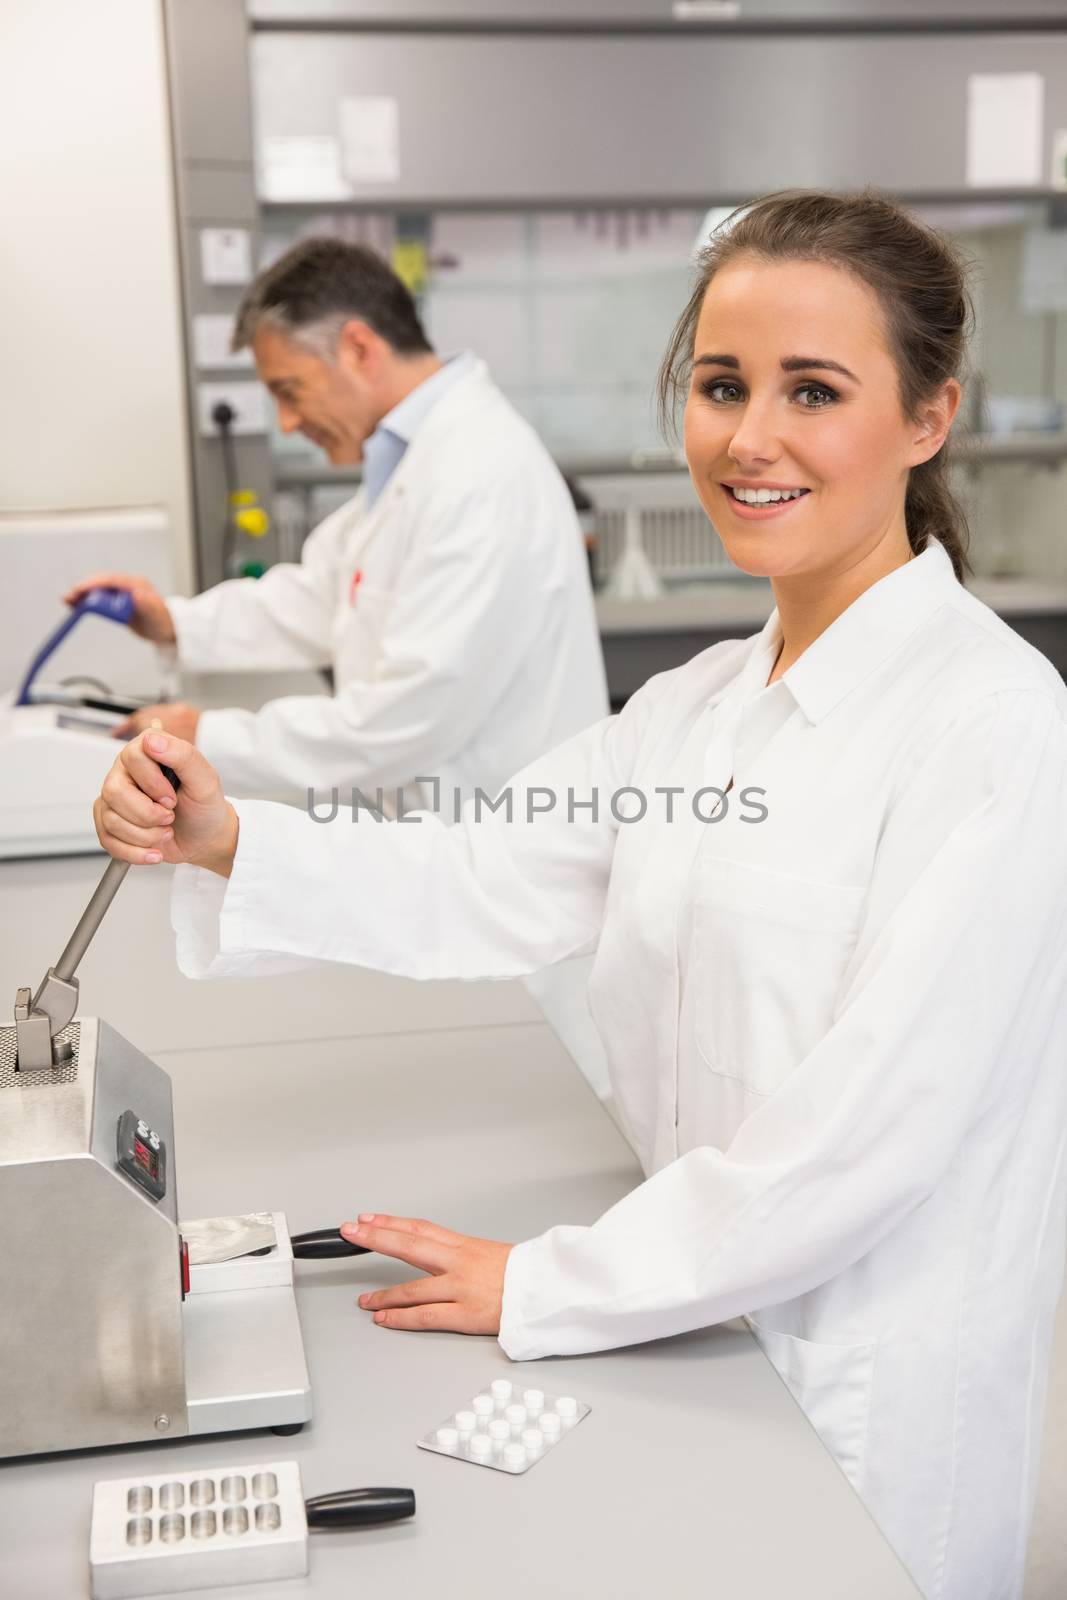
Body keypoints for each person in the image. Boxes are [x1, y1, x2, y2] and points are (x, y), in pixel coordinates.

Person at [94, 190, 1067, 1600]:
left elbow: (868, 1132)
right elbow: (485, 866)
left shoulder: (993, 726)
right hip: (696, 1323)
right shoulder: (696, 708)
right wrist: (227, 835)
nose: (749, 439)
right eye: (721, 386)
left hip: (856, 1377)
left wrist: (549, 1284)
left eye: (813, 390)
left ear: (925, 418)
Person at [65, 237, 607, 814]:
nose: (288, 421)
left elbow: (406, 718)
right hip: (444, 838)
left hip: (505, 846)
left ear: (357, 348)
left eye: (288, 390)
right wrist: (172, 622)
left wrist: (205, 735)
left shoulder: (478, 475)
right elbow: (323, 596)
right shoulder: (413, 465)